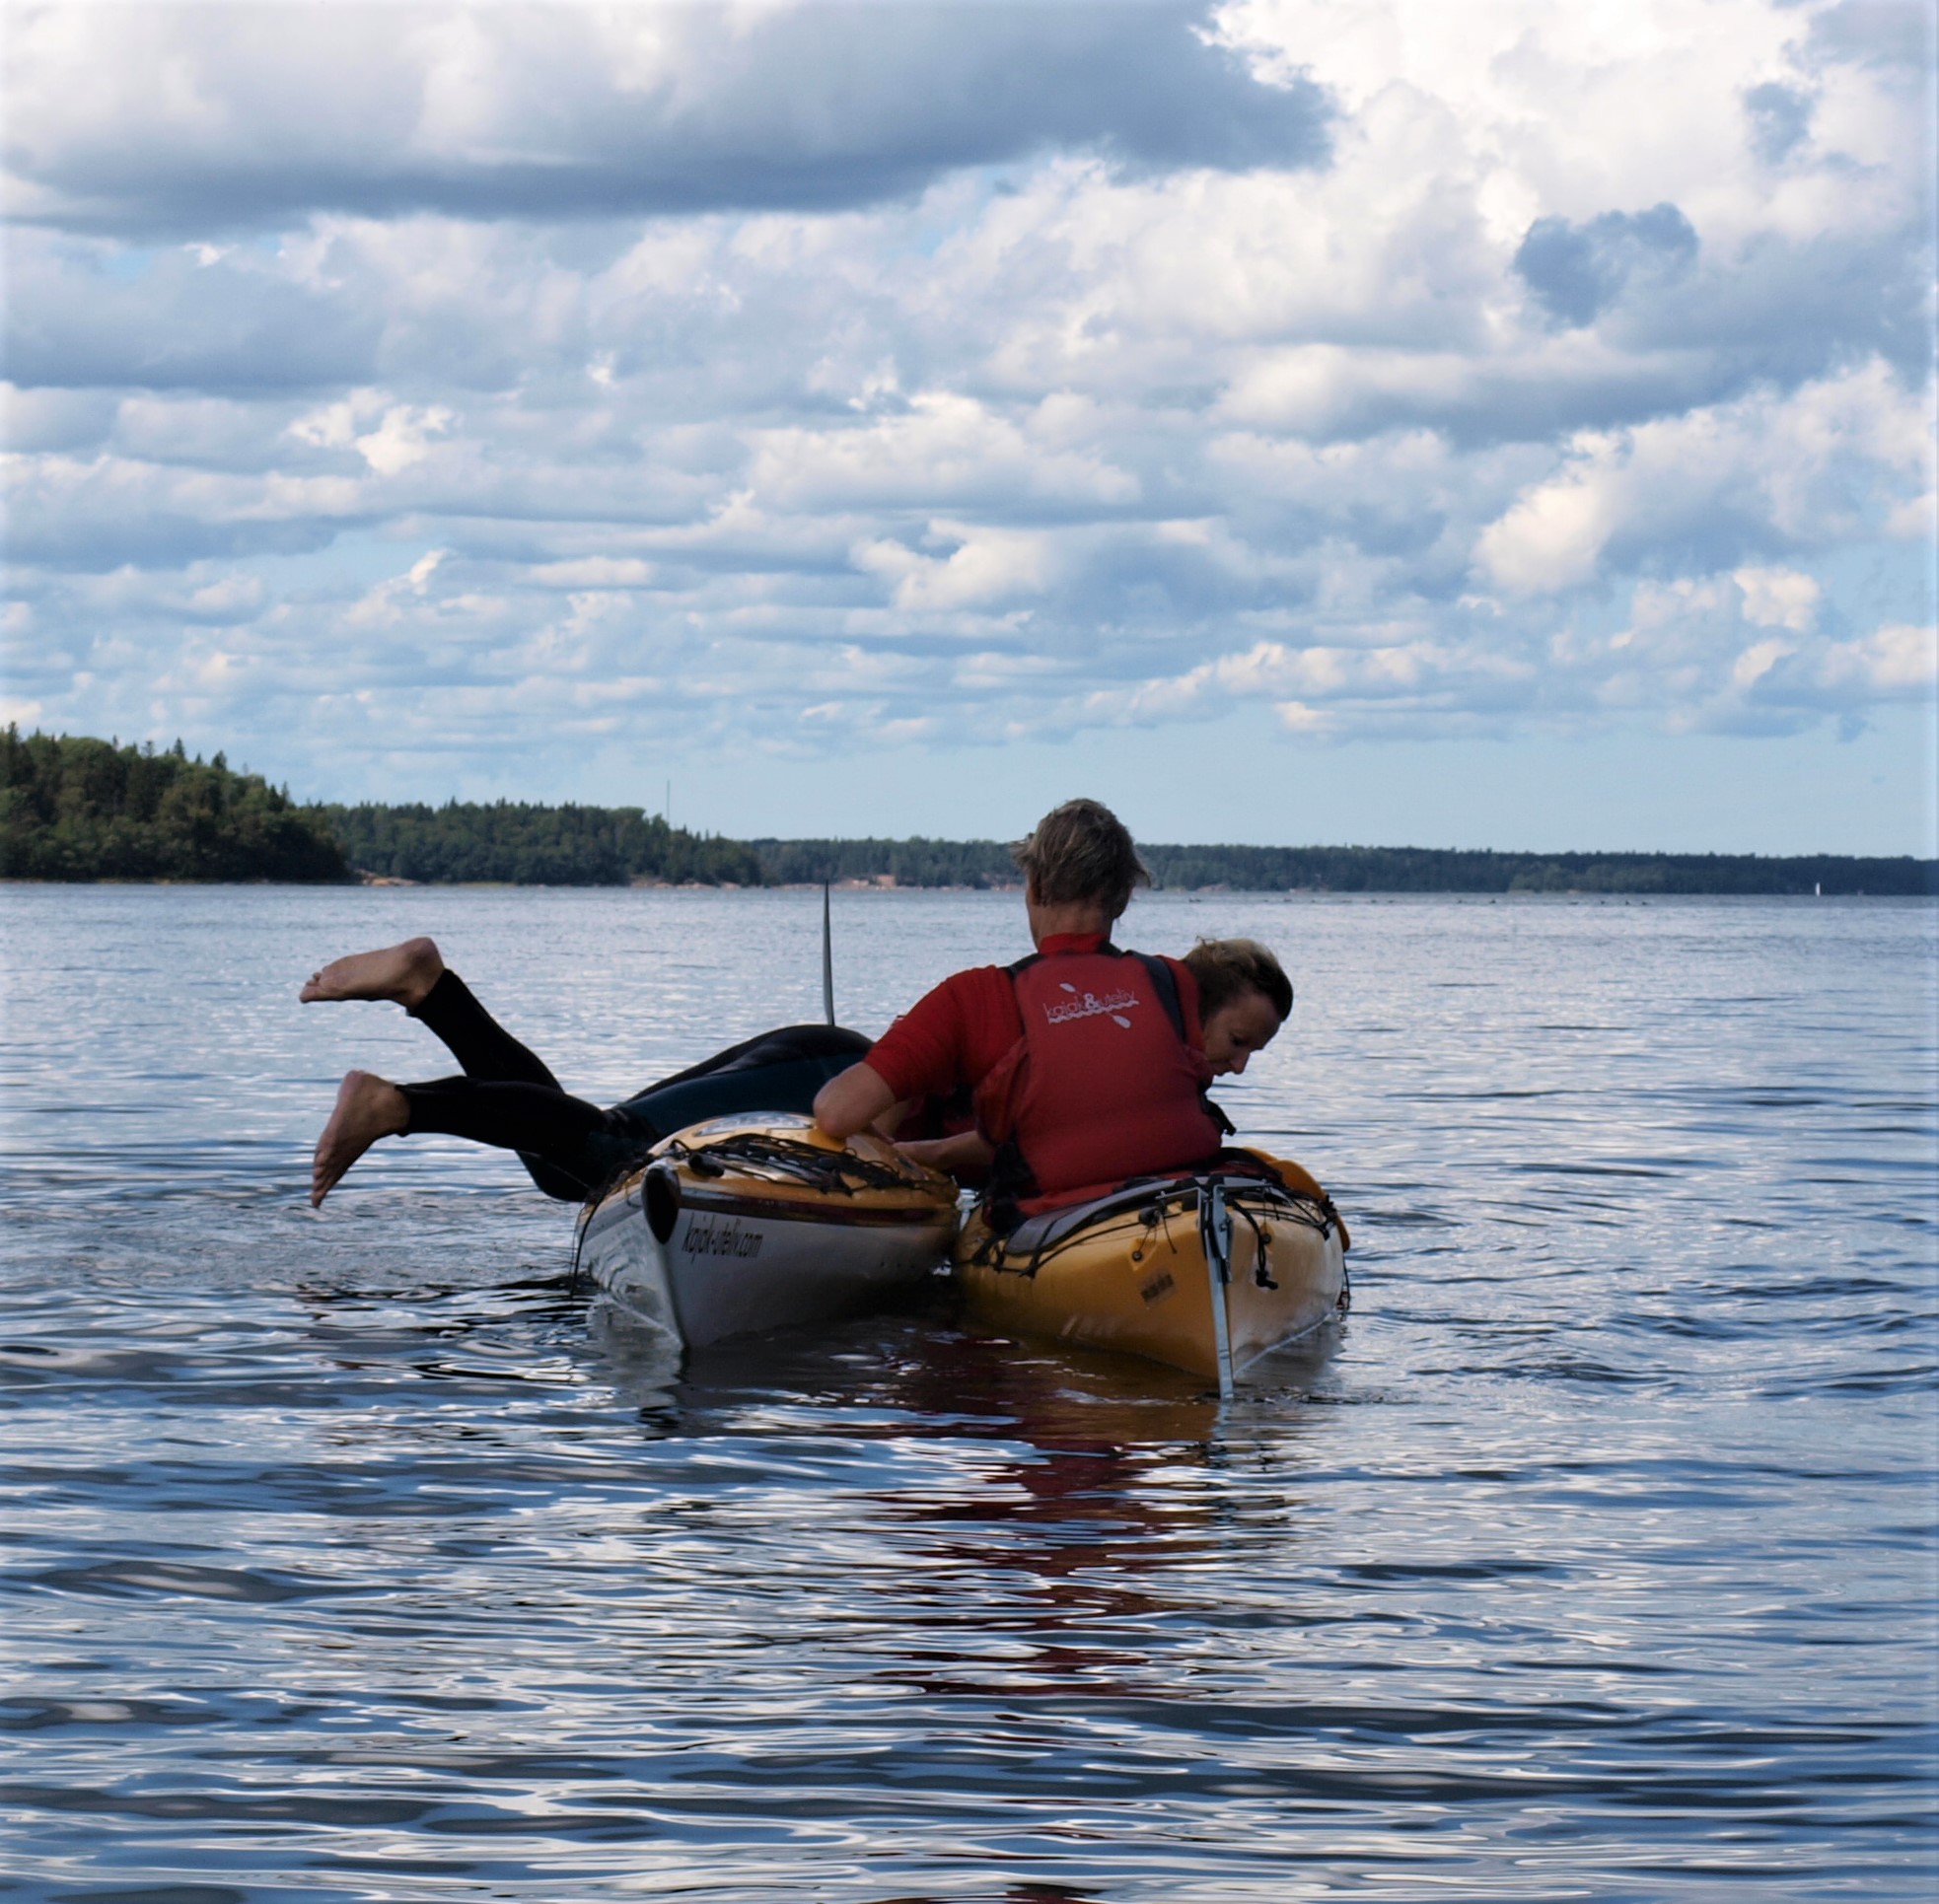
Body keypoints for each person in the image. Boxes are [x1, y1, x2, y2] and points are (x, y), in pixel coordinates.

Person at [813, 800, 1292, 1222]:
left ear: (1035, 886)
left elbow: (836, 1114)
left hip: (1055, 1227)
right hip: (1180, 1209)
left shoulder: (974, 997)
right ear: (1123, 898)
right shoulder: (1175, 984)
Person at [302, 937, 870, 1207]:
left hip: (820, 1059)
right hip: (831, 1072)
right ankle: (399, 1105)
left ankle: (430, 990)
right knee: (620, 1152)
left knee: (578, 1161)